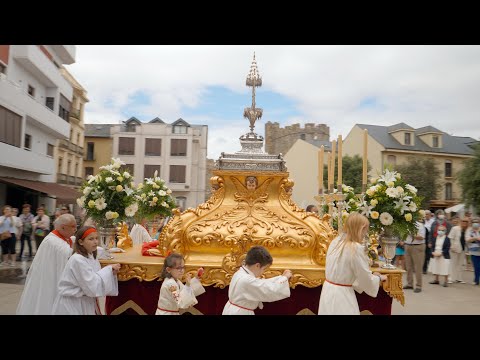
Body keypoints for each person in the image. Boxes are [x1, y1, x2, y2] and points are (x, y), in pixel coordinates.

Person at [318, 212, 387, 315]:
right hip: (343, 296)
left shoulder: (336, 241)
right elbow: (364, 277)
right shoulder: (355, 248)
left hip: (328, 290)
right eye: (365, 230)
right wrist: (378, 278)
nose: (365, 234)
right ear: (361, 229)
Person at [16, 214, 77, 315]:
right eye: (73, 226)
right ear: (63, 227)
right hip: (50, 280)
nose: (75, 229)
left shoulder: (63, 237)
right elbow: (70, 255)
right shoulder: (53, 242)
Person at [52, 226, 120, 315]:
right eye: (91, 239)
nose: (95, 242)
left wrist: (110, 272)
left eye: (96, 238)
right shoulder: (78, 259)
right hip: (73, 303)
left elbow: (94, 276)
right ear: (81, 242)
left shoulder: (91, 255)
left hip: (84, 301)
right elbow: (92, 286)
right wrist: (109, 270)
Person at [222, 245, 292, 315]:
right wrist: (285, 278)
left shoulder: (241, 272)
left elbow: (262, 283)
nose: (263, 272)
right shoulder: (246, 280)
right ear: (257, 265)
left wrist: (281, 277)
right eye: (264, 269)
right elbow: (269, 290)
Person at [403, 219, 426, 293]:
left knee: (417, 267)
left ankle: (418, 285)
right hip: (407, 245)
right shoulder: (406, 224)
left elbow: (422, 237)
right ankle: (410, 283)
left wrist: (412, 234)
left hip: (417, 246)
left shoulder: (420, 225)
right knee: (408, 266)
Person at [447, 217, 469, 284]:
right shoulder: (455, 228)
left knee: (460, 264)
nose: (464, 223)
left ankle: (459, 278)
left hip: (463, 249)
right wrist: (452, 246)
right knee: (453, 263)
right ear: (461, 222)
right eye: (463, 221)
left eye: (466, 222)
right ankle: (450, 278)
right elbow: (450, 238)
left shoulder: (467, 230)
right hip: (454, 249)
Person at [466, 217, 480, 285]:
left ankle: (476, 279)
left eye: (477, 222)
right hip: (474, 251)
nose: (476, 223)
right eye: (474, 222)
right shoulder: (469, 230)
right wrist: (475, 238)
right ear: (471, 223)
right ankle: (476, 280)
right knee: (476, 266)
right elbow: (468, 239)